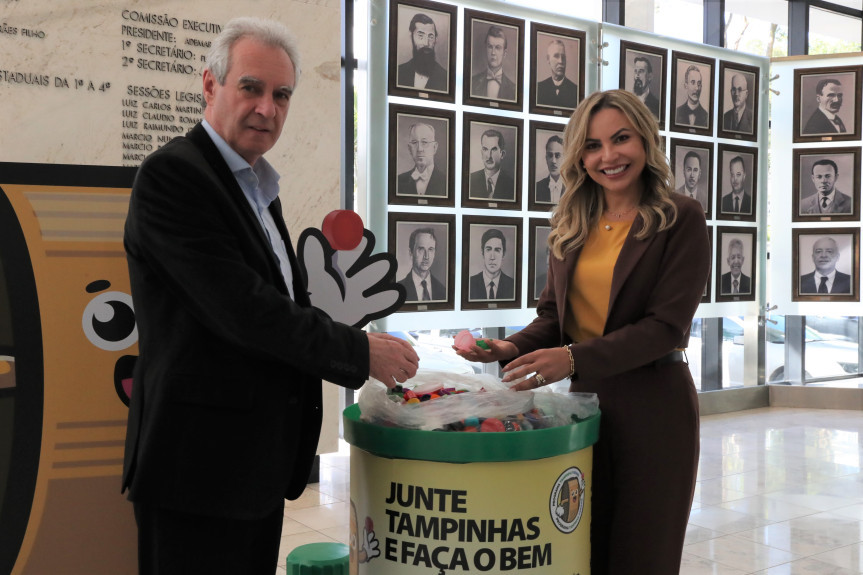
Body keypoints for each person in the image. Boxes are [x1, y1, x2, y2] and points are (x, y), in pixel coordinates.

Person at [121, 18, 419, 574]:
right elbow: (244, 310)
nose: (268, 108)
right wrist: (358, 351)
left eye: (282, 95)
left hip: (249, 467)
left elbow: (281, 301)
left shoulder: (257, 187)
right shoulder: (173, 178)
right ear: (210, 86)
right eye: (251, 88)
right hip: (197, 470)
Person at [456, 89, 709, 574]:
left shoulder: (681, 217)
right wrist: (509, 347)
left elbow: (665, 328)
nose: (608, 156)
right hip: (584, 409)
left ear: (645, 141)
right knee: (580, 551)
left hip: (655, 409)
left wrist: (571, 358)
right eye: (592, 146)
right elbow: (554, 318)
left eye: (621, 139)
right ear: (579, 156)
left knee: (642, 555)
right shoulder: (572, 222)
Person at [396, 12, 447, 91]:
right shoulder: (399, 72)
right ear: (411, 37)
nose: (426, 43)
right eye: (420, 35)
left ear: (435, 40)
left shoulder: (445, 77)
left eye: (431, 36)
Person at [396, 122, 446, 197]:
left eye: (424, 142)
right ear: (409, 149)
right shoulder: (398, 181)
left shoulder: (446, 181)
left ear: (434, 147)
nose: (419, 149)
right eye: (414, 142)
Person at [398, 227, 446, 301]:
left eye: (430, 249)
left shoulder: (443, 291)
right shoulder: (399, 289)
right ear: (411, 252)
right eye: (421, 249)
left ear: (434, 253)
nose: (426, 256)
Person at [470, 25, 516, 101]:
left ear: (504, 53)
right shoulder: (473, 82)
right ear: (486, 49)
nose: (493, 52)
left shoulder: (513, 89)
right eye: (490, 47)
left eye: (497, 48)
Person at [468, 228, 515, 300]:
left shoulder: (513, 285)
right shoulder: (470, 284)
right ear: (482, 253)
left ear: (503, 254)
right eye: (488, 249)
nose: (492, 257)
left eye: (497, 250)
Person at [469, 129, 515, 200]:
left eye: (493, 149)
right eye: (485, 149)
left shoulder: (512, 185)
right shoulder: (470, 180)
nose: (489, 156)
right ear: (481, 153)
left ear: (502, 154)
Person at [536, 38, 578, 109]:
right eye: (556, 56)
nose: (560, 61)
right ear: (548, 59)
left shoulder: (575, 91)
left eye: (563, 57)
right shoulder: (539, 89)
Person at [535, 134, 565, 204]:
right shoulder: (537, 188)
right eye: (550, 155)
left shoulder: (572, 188)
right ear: (546, 158)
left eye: (558, 155)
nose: (553, 161)